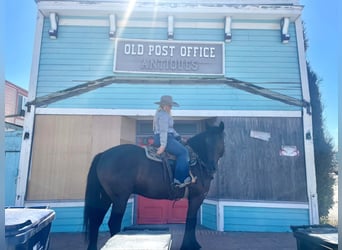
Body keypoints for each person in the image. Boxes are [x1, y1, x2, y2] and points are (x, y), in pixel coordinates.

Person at [153, 95, 191, 187]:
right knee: (183, 152)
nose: (171, 107)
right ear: (164, 105)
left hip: (167, 137)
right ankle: (179, 179)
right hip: (165, 138)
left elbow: (171, 129)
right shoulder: (164, 115)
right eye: (170, 105)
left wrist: (179, 137)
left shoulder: (163, 114)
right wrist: (163, 145)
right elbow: (163, 131)